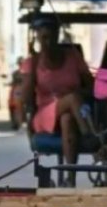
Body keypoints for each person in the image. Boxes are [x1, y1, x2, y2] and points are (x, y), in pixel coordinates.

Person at [25, 16, 94, 181]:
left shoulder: (73, 56)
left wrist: (81, 93)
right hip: (44, 112)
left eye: (51, 37)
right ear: (38, 39)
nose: (48, 43)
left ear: (57, 36)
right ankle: (90, 136)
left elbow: (92, 86)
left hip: (75, 112)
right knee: (72, 99)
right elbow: (27, 96)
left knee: (67, 119)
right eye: (44, 38)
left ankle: (70, 176)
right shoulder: (33, 61)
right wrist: (32, 68)